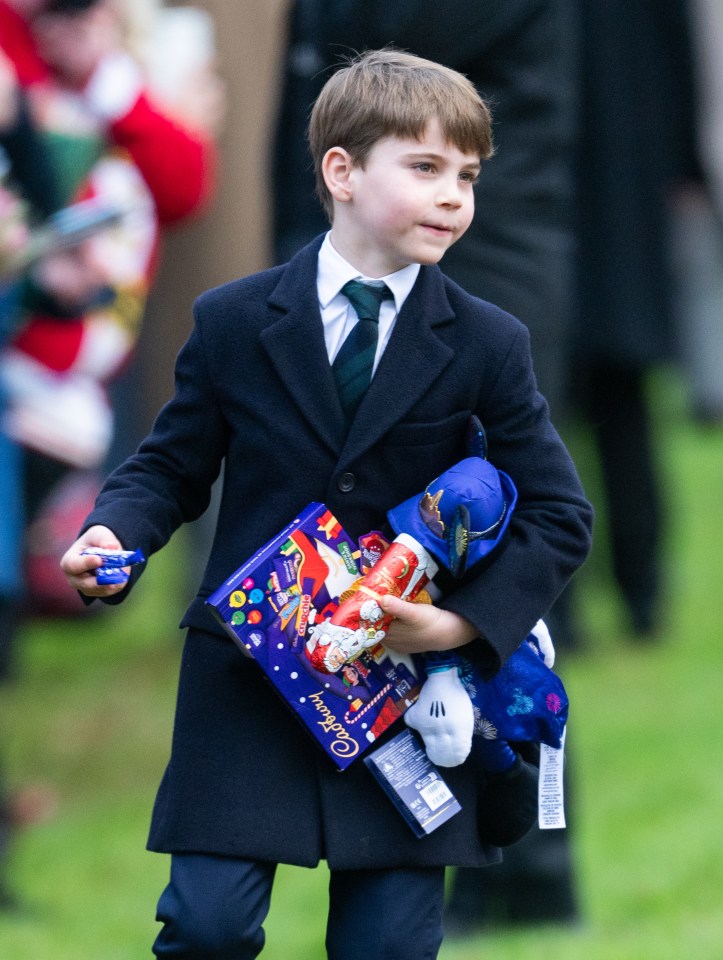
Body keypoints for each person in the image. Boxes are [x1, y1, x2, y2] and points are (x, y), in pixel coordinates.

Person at [60, 50, 593, 959]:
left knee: (385, 945)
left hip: (401, 693)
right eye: (424, 167)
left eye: (466, 175)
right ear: (341, 172)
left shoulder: (487, 343)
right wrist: (113, 533)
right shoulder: (233, 320)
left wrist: (459, 627)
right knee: (206, 926)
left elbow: (556, 514)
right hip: (249, 678)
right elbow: (169, 468)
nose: (453, 196)